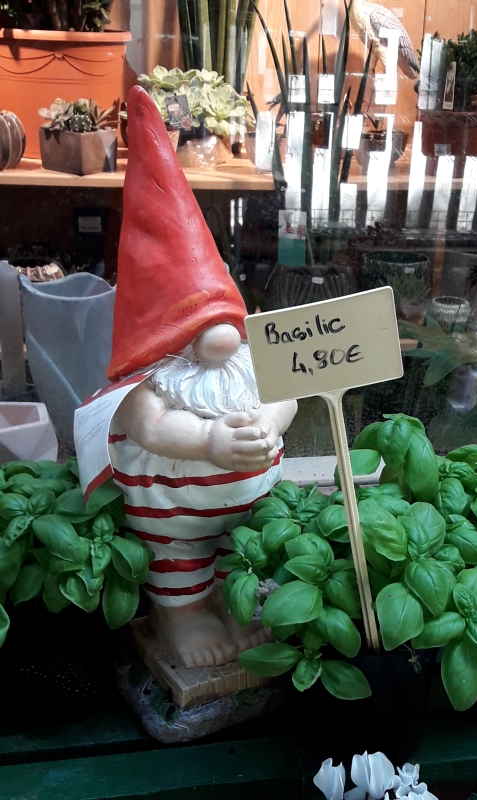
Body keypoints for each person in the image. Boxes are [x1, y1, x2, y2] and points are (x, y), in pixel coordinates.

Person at [79, 86, 297, 669]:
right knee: (178, 553)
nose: (218, 340)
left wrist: (271, 422)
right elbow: (151, 428)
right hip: (174, 514)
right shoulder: (145, 380)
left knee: (236, 551)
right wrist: (208, 440)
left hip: (241, 505)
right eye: (194, 323)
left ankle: (230, 597)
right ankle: (182, 613)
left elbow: (286, 392)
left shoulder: (247, 358)